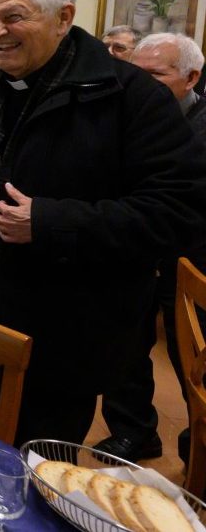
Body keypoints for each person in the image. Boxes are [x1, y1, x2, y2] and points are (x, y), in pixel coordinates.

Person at [0, 0, 206, 444]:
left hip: (60, 329)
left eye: (14, 18)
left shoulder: (129, 96)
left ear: (64, 17)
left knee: (34, 475)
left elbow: (174, 210)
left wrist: (51, 220)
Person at [95, 32, 206, 460]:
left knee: (190, 356)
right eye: (133, 74)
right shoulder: (125, 116)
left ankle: (198, 441)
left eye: (154, 75)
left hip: (190, 260)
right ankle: (135, 432)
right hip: (135, 251)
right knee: (126, 348)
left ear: (191, 76)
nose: (139, 84)